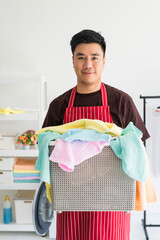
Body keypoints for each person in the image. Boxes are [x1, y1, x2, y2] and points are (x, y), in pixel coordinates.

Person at [43, 29, 150, 240]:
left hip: (112, 196)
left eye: (94, 57)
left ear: (104, 61)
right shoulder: (60, 105)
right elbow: (47, 146)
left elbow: (139, 148)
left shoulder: (121, 101)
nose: (88, 64)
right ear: (72, 61)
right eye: (81, 57)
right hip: (70, 196)